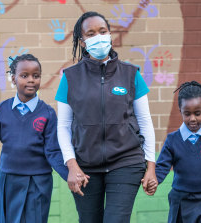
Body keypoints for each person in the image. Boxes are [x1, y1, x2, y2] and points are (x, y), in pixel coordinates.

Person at [55, 11, 157, 223]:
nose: (98, 37)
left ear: (110, 34)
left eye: (102, 31)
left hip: (125, 162)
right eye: (91, 33)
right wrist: (72, 166)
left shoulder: (131, 74)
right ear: (82, 42)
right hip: (85, 166)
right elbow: (63, 126)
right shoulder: (70, 77)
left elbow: (146, 122)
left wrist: (151, 167)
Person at [0, 54, 68, 223]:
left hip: (38, 181)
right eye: (24, 76)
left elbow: (53, 151)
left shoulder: (48, 113)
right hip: (9, 180)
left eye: (36, 76)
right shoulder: (2, 110)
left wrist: (69, 176)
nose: (31, 80)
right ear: (13, 79)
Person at [155, 81, 201, 223]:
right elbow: (162, 167)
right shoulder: (172, 140)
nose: (192, 118)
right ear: (180, 110)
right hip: (181, 201)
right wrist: (153, 180)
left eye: (197, 113)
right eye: (187, 114)